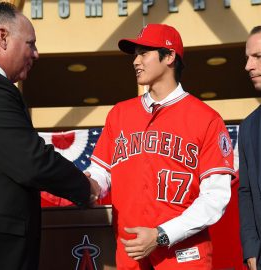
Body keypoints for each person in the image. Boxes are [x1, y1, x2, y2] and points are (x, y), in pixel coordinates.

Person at [85, 23, 235, 269]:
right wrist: (85, 184)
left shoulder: (206, 118)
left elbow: (215, 197)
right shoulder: (119, 114)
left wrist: (162, 234)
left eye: (144, 53)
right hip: (131, 253)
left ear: (170, 56)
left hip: (184, 256)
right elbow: (102, 173)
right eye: (135, 54)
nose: (136, 61)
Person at [0, 2, 100, 270]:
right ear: (3, 37)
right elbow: (31, 161)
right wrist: (85, 188)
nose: (36, 54)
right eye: (31, 44)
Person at [238, 25, 261, 270]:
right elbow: (246, 193)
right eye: (247, 58)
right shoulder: (248, 127)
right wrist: (252, 249)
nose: (248, 66)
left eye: (258, 57)